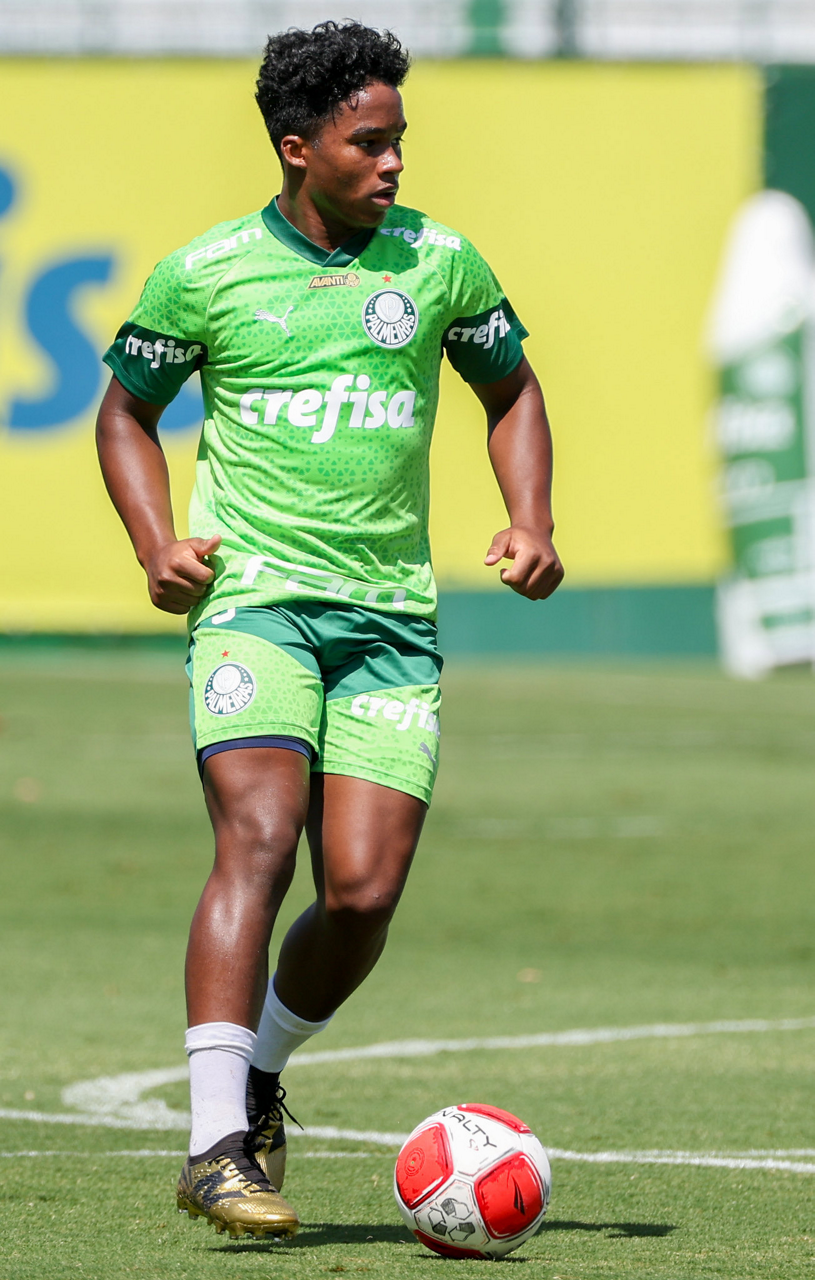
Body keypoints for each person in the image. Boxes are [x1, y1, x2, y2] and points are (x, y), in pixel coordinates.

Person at [96, 19, 564, 1242]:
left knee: (359, 893)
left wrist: (529, 517)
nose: (394, 160)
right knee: (257, 835)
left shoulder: (440, 262)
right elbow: (125, 412)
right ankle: (213, 1145)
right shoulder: (205, 273)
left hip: (388, 619)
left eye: (399, 137)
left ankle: (257, 1073)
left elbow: (510, 389)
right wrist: (156, 543)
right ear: (298, 148)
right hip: (254, 604)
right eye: (370, 142)